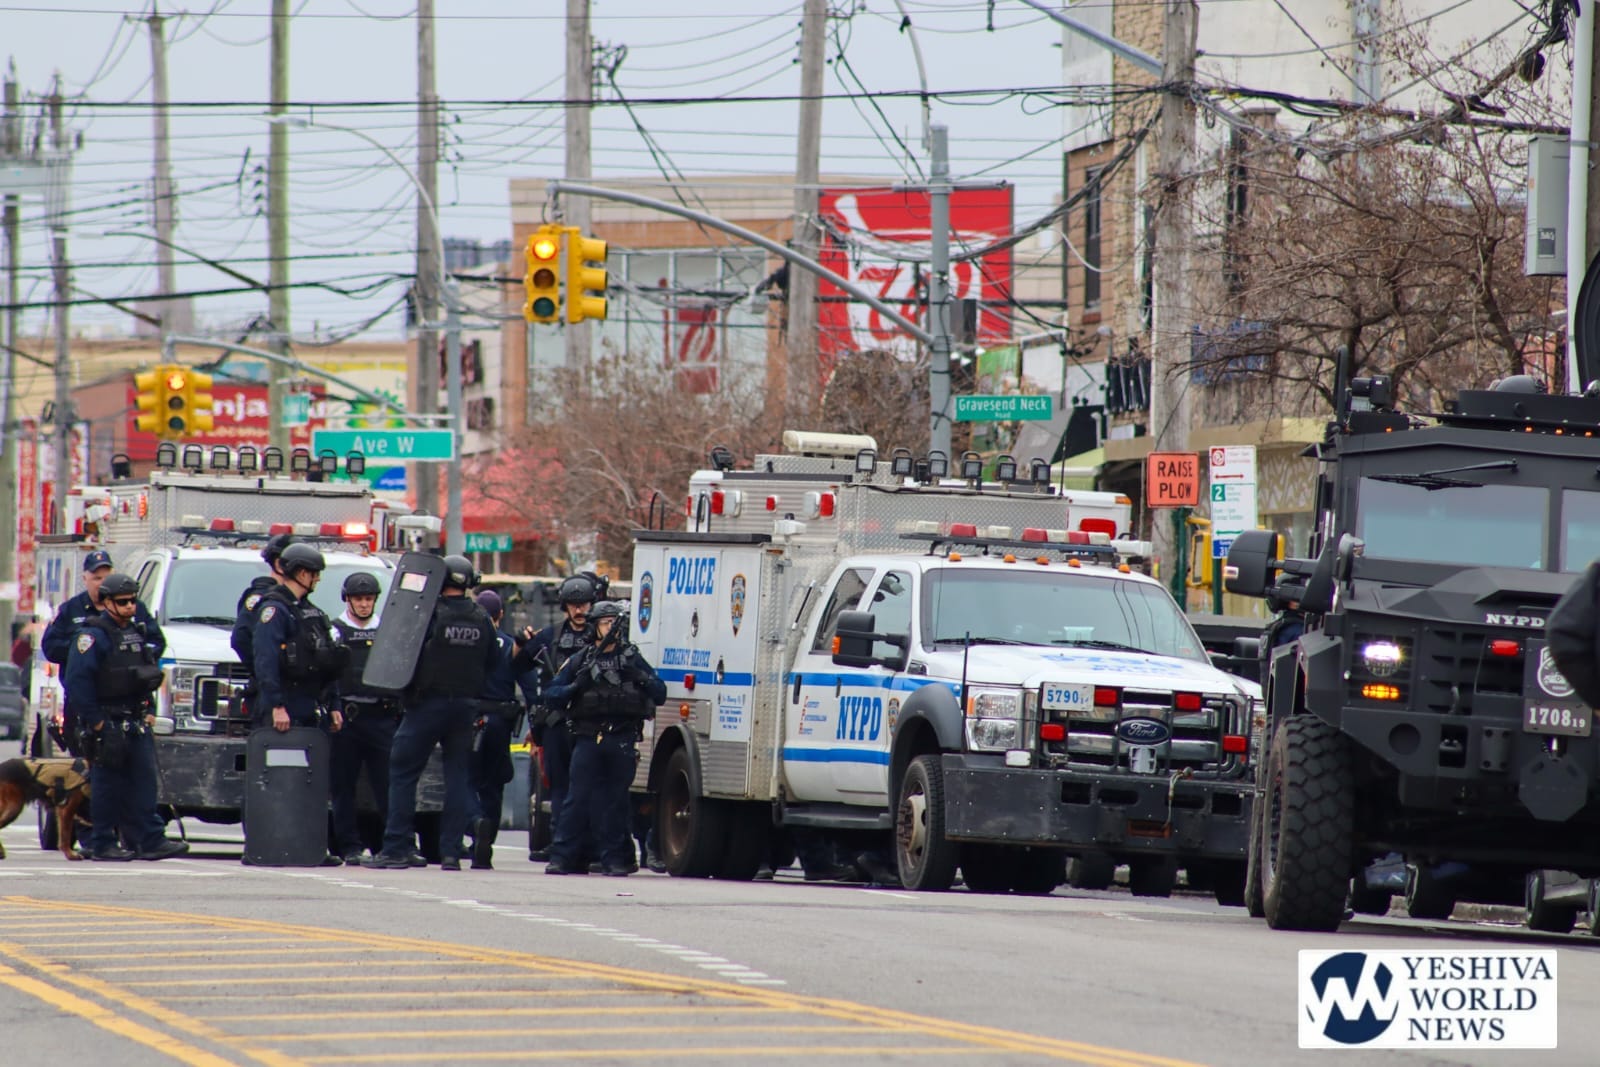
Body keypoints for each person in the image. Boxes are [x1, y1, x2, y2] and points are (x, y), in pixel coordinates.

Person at [365, 555, 498, 872]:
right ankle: (450, 853)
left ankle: (396, 847)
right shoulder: (481, 618)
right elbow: (493, 662)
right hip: (465, 708)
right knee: (457, 778)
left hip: (427, 704)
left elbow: (402, 652)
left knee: (403, 772)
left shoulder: (428, 614)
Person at [63, 573, 187, 861]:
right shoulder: (91, 637)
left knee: (144, 783)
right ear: (107, 602)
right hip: (107, 722)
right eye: (122, 602)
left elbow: (144, 676)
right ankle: (102, 842)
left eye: (132, 600)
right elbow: (78, 683)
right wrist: (97, 722)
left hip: (135, 720)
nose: (130, 606)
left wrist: (149, 709)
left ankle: (149, 840)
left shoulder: (136, 633)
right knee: (107, 787)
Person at [542, 601, 664, 876]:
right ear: (594, 626)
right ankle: (562, 857)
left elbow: (660, 693)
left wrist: (639, 677)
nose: (611, 627)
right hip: (588, 737)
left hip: (621, 738)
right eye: (606, 622)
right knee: (577, 799)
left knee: (615, 801)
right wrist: (576, 686)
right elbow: (551, 695)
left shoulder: (631, 658)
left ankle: (614, 859)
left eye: (614, 622)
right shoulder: (582, 659)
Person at [514, 574, 597, 862]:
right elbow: (519, 665)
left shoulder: (602, 637)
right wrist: (520, 642)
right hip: (558, 722)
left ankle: (589, 845)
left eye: (584, 604)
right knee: (560, 785)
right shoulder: (550, 637)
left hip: (590, 722)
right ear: (565, 606)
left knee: (589, 785)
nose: (579, 610)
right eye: (573, 604)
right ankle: (561, 841)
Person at [329, 571, 396, 865]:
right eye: (359, 599)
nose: (365, 604)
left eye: (369, 599)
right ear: (348, 600)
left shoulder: (386, 630)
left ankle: (392, 845)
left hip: (381, 716)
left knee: (388, 785)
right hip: (347, 718)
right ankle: (349, 847)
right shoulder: (334, 631)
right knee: (343, 786)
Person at [467, 589, 537, 870]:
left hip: (469, 720)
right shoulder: (511, 646)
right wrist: (537, 726)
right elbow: (532, 690)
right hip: (499, 722)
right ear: (501, 615)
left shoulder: (468, 644)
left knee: (464, 780)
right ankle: (486, 842)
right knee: (493, 786)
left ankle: (475, 825)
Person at [250, 544, 346, 734]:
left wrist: (334, 704)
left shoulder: (312, 613)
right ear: (302, 574)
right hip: (284, 710)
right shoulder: (276, 611)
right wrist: (277, 705)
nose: (318, 579)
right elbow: (266, 660)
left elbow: (327, 661)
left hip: (310, 705)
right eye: (315, 574)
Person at [43, 549, 162, 670]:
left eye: (107, 577)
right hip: (84, 679)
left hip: (125, 678)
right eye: (97, 578)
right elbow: (51, 648)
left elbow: (157, 642)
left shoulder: (132, 606)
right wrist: (85, 649)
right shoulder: (70, 609)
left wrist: (135, 654)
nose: (103, 583)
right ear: (85, 579)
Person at [231, 533, 295, 719]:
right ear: (279, 564)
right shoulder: (261, 598)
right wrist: (265, 674)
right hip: (270, 695)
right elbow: (241, 639)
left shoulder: (294, 599)